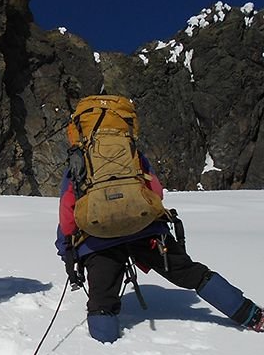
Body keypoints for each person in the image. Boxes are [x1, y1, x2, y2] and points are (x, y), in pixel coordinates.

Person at [56, 129, 264, 343]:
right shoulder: (132, 154)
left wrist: (67, 250)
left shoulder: (77, 162)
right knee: (192, 274)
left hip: (99, 241)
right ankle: (252, 316)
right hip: (146, 231)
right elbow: (156, 191)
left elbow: (67, 213)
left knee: (102, 304)